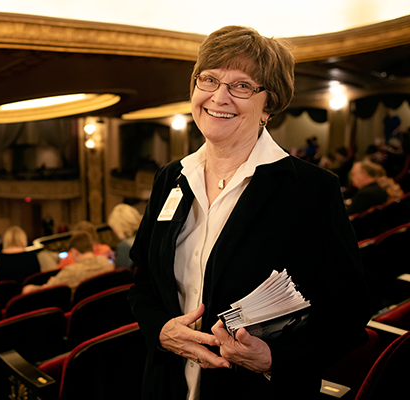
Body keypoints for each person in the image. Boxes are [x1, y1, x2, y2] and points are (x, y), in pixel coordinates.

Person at [127, 25, 373, 400]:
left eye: (241, 86)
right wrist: (159, 330)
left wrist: (275, 359)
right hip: (166, 383)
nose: (218, 97)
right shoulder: (170, 179)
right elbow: (144, 281)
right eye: (208, 79)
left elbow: (348, 314)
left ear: (268, 105)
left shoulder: (311, 191)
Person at [22, 231, 113, 298]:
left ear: (74, 252)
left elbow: (46, 290)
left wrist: (30, 288)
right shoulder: (107, 264)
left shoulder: (71, 272)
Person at [107, 203, 142, 268]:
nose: (114, 231)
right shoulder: (144, 238)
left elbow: (122, 274)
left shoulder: (124, 246)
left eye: (114, 228)